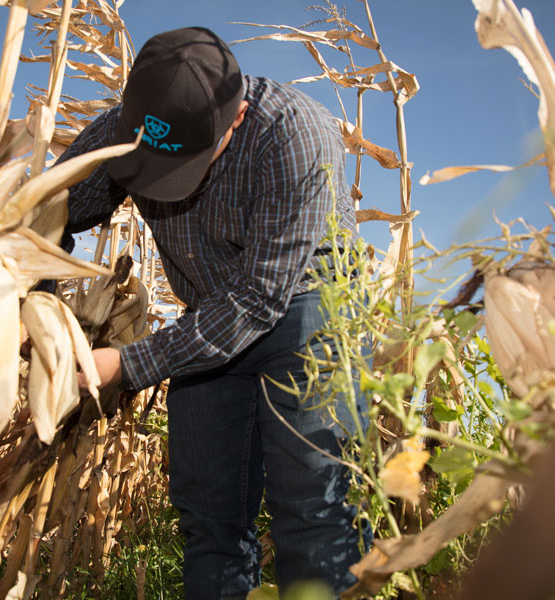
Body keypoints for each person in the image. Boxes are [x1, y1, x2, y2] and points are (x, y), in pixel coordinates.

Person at [59, 26, 369, 599]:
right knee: (209, 516)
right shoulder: (126, 126)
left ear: (237, 117)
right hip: (209, 314)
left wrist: (125, 366)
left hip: (308, 306)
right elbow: (53, 209)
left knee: (314, 506)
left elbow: (259, 298)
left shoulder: (294, 136)